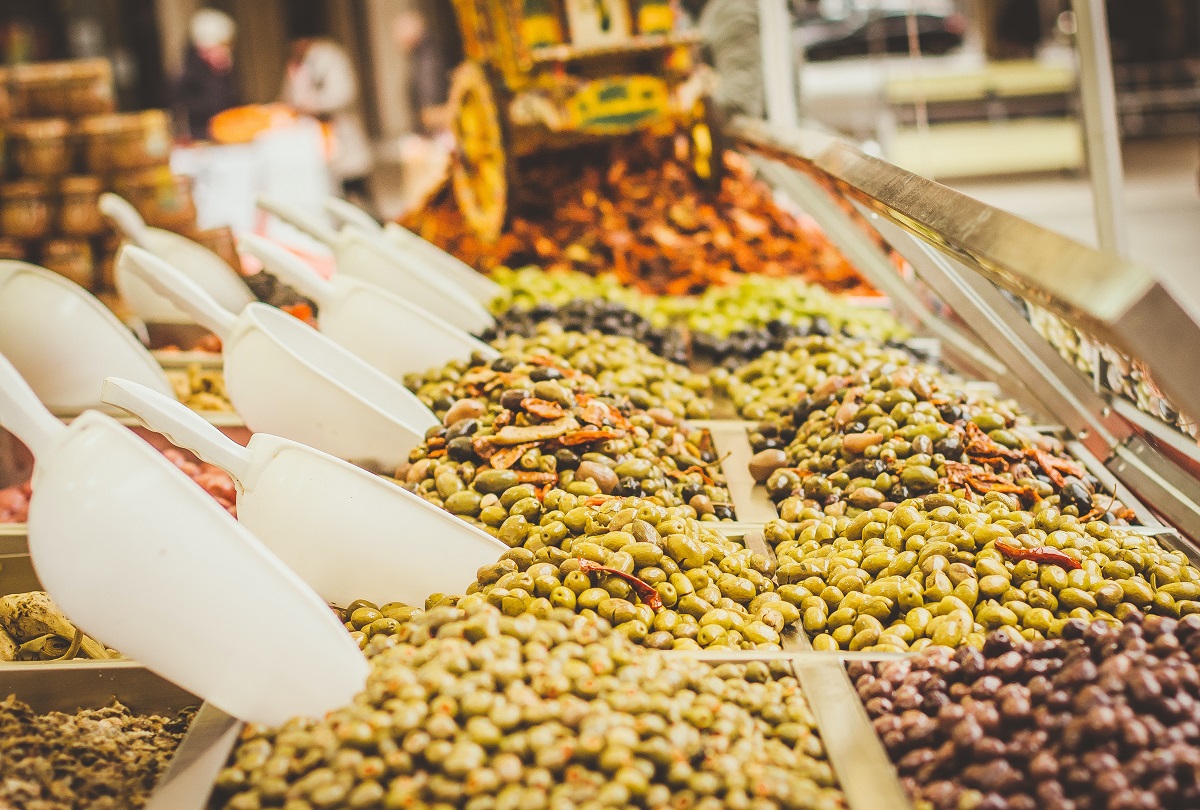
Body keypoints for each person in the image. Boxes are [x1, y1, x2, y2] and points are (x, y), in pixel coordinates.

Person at [282, 37, 374, 204]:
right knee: (331, 191)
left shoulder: (328, 57)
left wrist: (313, 104)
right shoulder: (296, 63)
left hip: (339, 134)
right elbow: (290, 95)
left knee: (355, 187)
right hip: (313, 138)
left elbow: (343, 93)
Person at [681, 0, 765, 120]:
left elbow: (739, 105)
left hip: (761, 130)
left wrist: (701, 87)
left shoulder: (731, 9)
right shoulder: (706, 11)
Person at [175, 8, 241, 140]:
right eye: (222, 44)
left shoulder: (220, 68)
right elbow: (211, 106)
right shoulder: (192, 71)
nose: (227, 50)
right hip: (204, 137)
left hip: (225, 133)